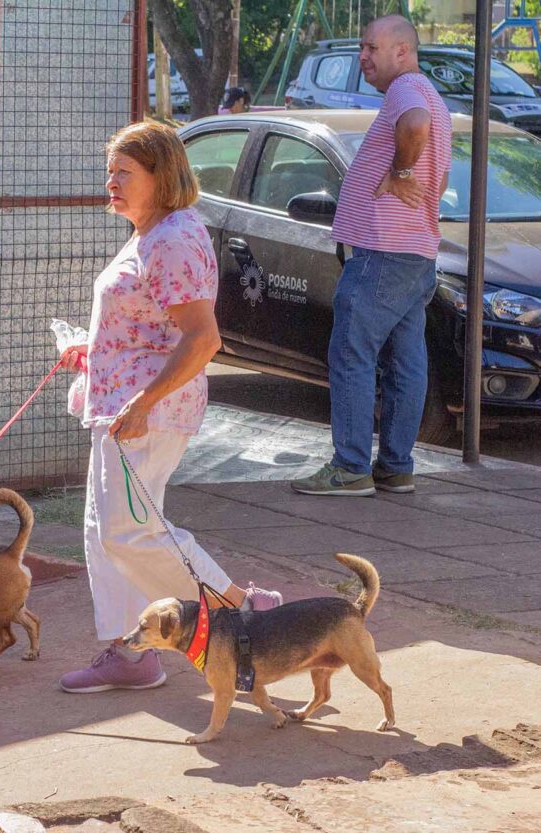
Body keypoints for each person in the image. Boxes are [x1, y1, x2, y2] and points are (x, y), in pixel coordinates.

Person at [57, 121, 283, 694]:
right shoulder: (151, 232)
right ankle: (130, 653)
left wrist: (142, 399)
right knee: (103, 530)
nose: (111, 182)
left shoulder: (173, 239)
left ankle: (239, 605)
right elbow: (150, 324)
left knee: (128, 533)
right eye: (110, 170)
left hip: (146, 414)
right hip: (122, 408)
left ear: (162, 178)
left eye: (124, 172)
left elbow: (203, 339)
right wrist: (93, 350)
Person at [291, 15, 452, 497]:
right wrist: (412, 185)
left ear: (402, 52)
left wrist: (400, 174)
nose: (362, 56)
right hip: (414, 253)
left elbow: (414, 127)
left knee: (351, 353)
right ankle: (396, 466)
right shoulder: (432, 96)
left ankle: (350, 467)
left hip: (383, 254)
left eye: (370, 47)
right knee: (406, 361)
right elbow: (439, 179)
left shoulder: (407, 89)